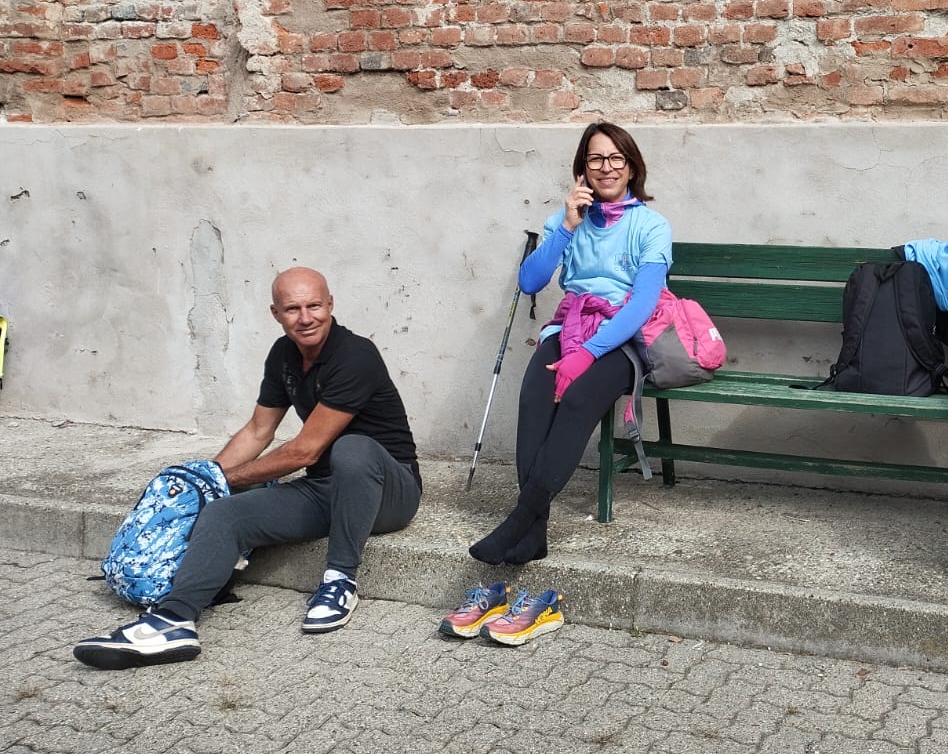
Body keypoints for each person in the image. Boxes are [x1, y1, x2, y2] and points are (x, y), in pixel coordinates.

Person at [74, 267, 422, 669]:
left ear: (330, 305)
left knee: (352, 449)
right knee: (225, 513)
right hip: (326, 489)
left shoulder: (355, 356)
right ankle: (173, 620)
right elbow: (258, 431)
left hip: (389, 491)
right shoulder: (284, 355)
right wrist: (205, 481)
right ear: (276, 313)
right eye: (292, 309)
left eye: (314, 306)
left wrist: (225, 478)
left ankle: (339, 580)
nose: (305, 318)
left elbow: (304, 452)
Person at [466, 120, 672, 566]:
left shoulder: (651, 226)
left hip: (622, 340)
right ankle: (533, 534)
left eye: (616, 158)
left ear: (631, 167)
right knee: (534, 399)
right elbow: (530, 282)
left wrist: (589, 354)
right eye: (596, 158)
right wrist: (566, 226)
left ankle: (520, 521)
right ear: (582, 169)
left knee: (578, 400)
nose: (606, 167)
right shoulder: (566, 222)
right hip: (568, 328)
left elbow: (641, 306)